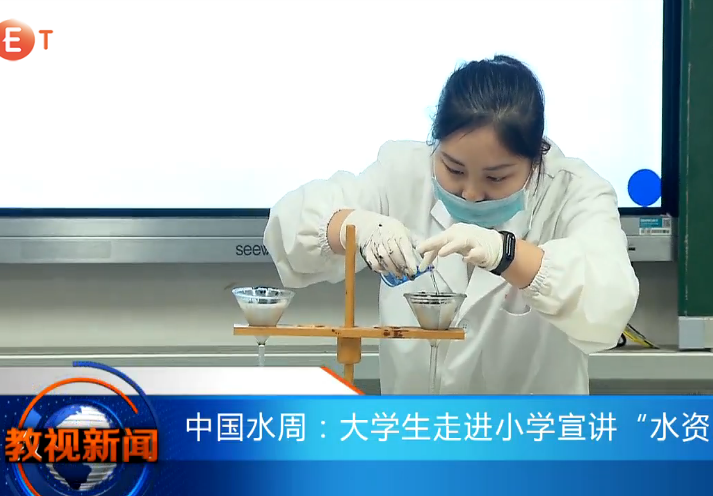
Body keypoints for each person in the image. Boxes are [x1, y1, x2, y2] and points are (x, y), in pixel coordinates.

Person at [263, 55, 639, 395]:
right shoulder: (402, 172)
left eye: (496, 178)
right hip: (416, 433)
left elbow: (609, 304)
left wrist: (507, 254)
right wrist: (355, 225)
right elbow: (290, 225)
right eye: (454, 169)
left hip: (528, 439)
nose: (471, 193)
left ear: (536, 158)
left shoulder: (573, 192)